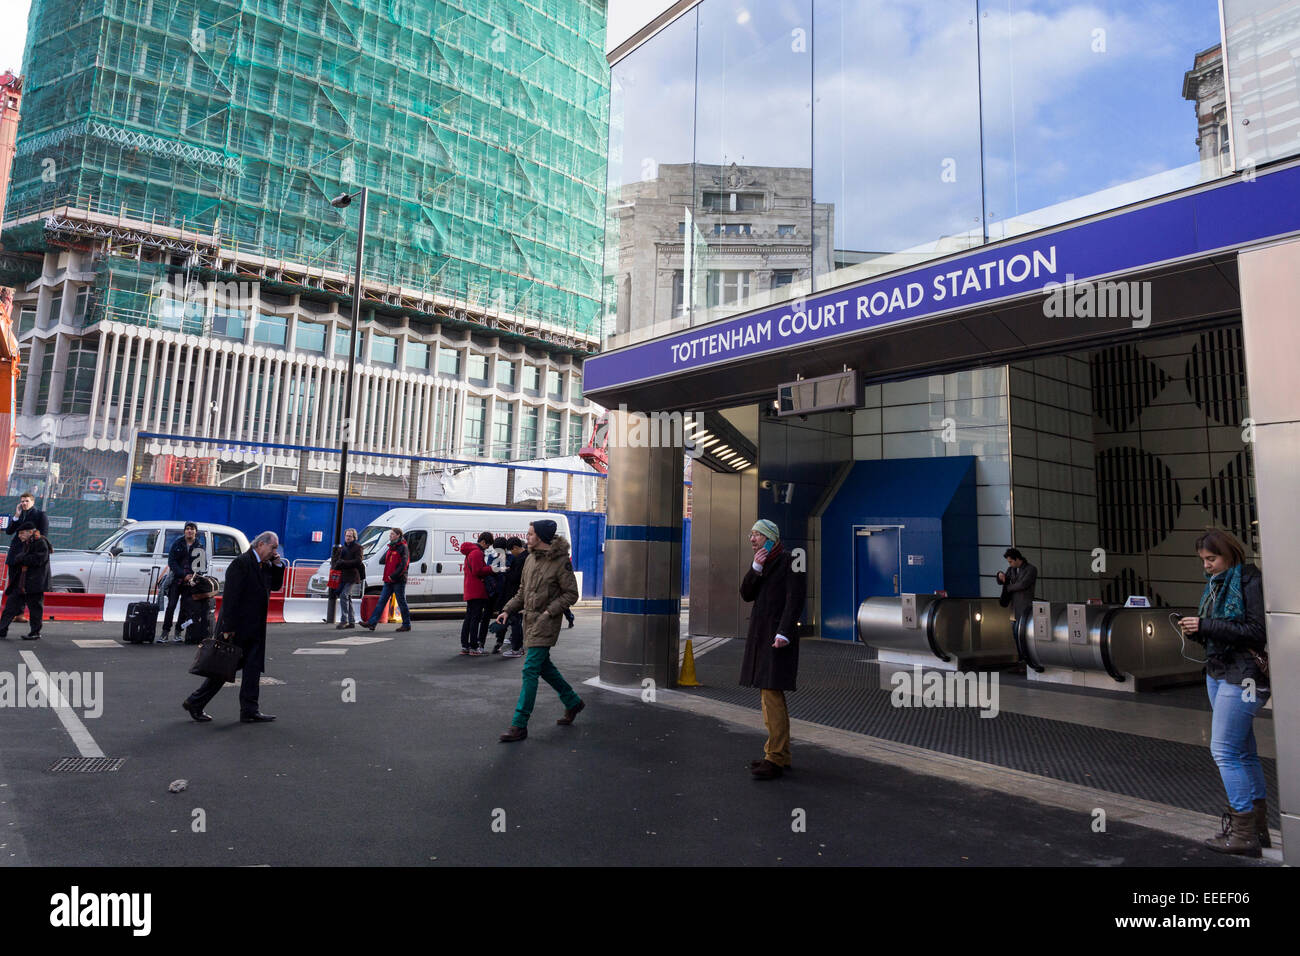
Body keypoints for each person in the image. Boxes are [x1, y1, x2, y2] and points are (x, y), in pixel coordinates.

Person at [1179, 529, 1271, 857]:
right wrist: (1198, 630)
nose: (1207, 566)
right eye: (1203, 560)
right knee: (1242, 752)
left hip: (1243, 675)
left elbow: (1257, 631)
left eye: (1212, 559)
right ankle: (1257, 830)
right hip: (1219, 672)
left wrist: (1205, 626)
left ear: (1230, 553)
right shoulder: (1218, 584)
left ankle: (1244, 833)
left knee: (1224, 752)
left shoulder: (1250, 581)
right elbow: (1223, 631)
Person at [182, 531, 286, 723]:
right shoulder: (241, 563)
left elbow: (276, 585)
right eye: (272, 547)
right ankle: (195, 702)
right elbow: (231, 598)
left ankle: (249, 709)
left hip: (255, 627)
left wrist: (278, 564)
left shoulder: (265, 565)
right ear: (260, 545)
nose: (274, 551)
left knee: (252, 669)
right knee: (223, 668)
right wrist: (228, 628)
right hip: (237, 627)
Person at [495, 520, 582, 742]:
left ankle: (519, 724)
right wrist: (507, 610)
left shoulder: (560, 562)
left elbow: (571, 594)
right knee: (544, 667)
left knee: (530, 669)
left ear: (541, 536)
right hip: (529, 620)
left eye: (531, 533)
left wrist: (548, 612)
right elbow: (522, 591)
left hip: (546, 622)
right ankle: (572, 701)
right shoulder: (530, 559)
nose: (527, 536)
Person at [740, 519, 806, 780]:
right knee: (770, 694)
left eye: (757, 535)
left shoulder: (791, 561)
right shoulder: (762, 563)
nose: (752, 539)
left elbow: (796, 599)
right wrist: (755, 568)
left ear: (771, 538)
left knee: (771, 694)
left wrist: (784, 632)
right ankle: (781, 754)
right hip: (762, 637)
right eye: (751, 534)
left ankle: (774, 757)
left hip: (778, 638)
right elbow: (746, 594)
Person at [0, 523, 49, 640]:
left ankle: (35, 632)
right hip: (22, 582)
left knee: (35, 609)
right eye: (19, 534)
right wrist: (20, 558)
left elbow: (39, 560)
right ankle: (2, 630)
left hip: (35, 582)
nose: (20, 536)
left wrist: (21, 558)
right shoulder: (27, 543)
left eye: (22, 533)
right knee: (10, 606)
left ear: (30, 532)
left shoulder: (41, 542)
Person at [360, 528, 411, 633]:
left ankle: (406, 624)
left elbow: (404, 564)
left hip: (398, 580)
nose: (390, 536)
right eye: (390, 534)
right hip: (389, 580)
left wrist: (394, 575)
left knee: (401, 602)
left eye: (392, 534)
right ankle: (372, 623)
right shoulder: (392, 547)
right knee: (381, 602)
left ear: (398, 535)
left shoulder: (403, 547)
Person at [160, 522, 204, 643]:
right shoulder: (177, 543)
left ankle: (178, 632)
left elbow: (201, 566)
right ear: (184, 531)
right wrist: (183, 575)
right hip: (176, 580)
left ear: (196, 531)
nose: (190, 531)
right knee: (171, 606)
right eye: (188, 529)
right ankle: (165, 632)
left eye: (192, 529)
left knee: (184, 609)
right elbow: (172, 562)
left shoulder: (199, 546)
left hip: (190, 583)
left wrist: (192, 577)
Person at [458, 532, 494, 655]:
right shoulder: (477, 553)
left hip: (469, 588)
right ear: (483, 541)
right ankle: (474, 646)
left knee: (468, 618)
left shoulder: (470, 552)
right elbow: (478, 571)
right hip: (477, 590)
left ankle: (465, 645)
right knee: (475, 619)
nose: (487, 548)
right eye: (488, 545)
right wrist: (491, 568)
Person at [494, 537, 527, 657]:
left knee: (515, 621)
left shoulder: (521, 559)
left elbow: (516, 577)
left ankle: (517, 648)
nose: (510, 553)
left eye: (511, 550)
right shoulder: (524, 557)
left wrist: (507, 572)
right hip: (516, 594)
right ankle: (517, 647)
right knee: (516, 621)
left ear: (515, 548)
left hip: (515, 593)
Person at [331, 528, 364, 630]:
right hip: (343, 575)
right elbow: (335, 559)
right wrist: (336, 563)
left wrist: (343, 563)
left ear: (354, 537)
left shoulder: (358, 547)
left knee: (344, 595)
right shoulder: (342, 548)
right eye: (346, 536)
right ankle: (352, 621)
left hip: (352, 575)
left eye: (350, 536)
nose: (347, 538)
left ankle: (344, 620)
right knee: (347, 598)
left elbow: (358, 561)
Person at [996, 548, 1037, 621]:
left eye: (1010, 562)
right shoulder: (1011, 569)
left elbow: (1023, 584)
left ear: (1017, 559)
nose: (1010, 564)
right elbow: (1003, 581)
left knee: (1023, 630)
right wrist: (999, 574)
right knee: (1015, 630)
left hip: (1025, 607)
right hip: (1013, 609)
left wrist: (1009, 587)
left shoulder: (1031, 569)